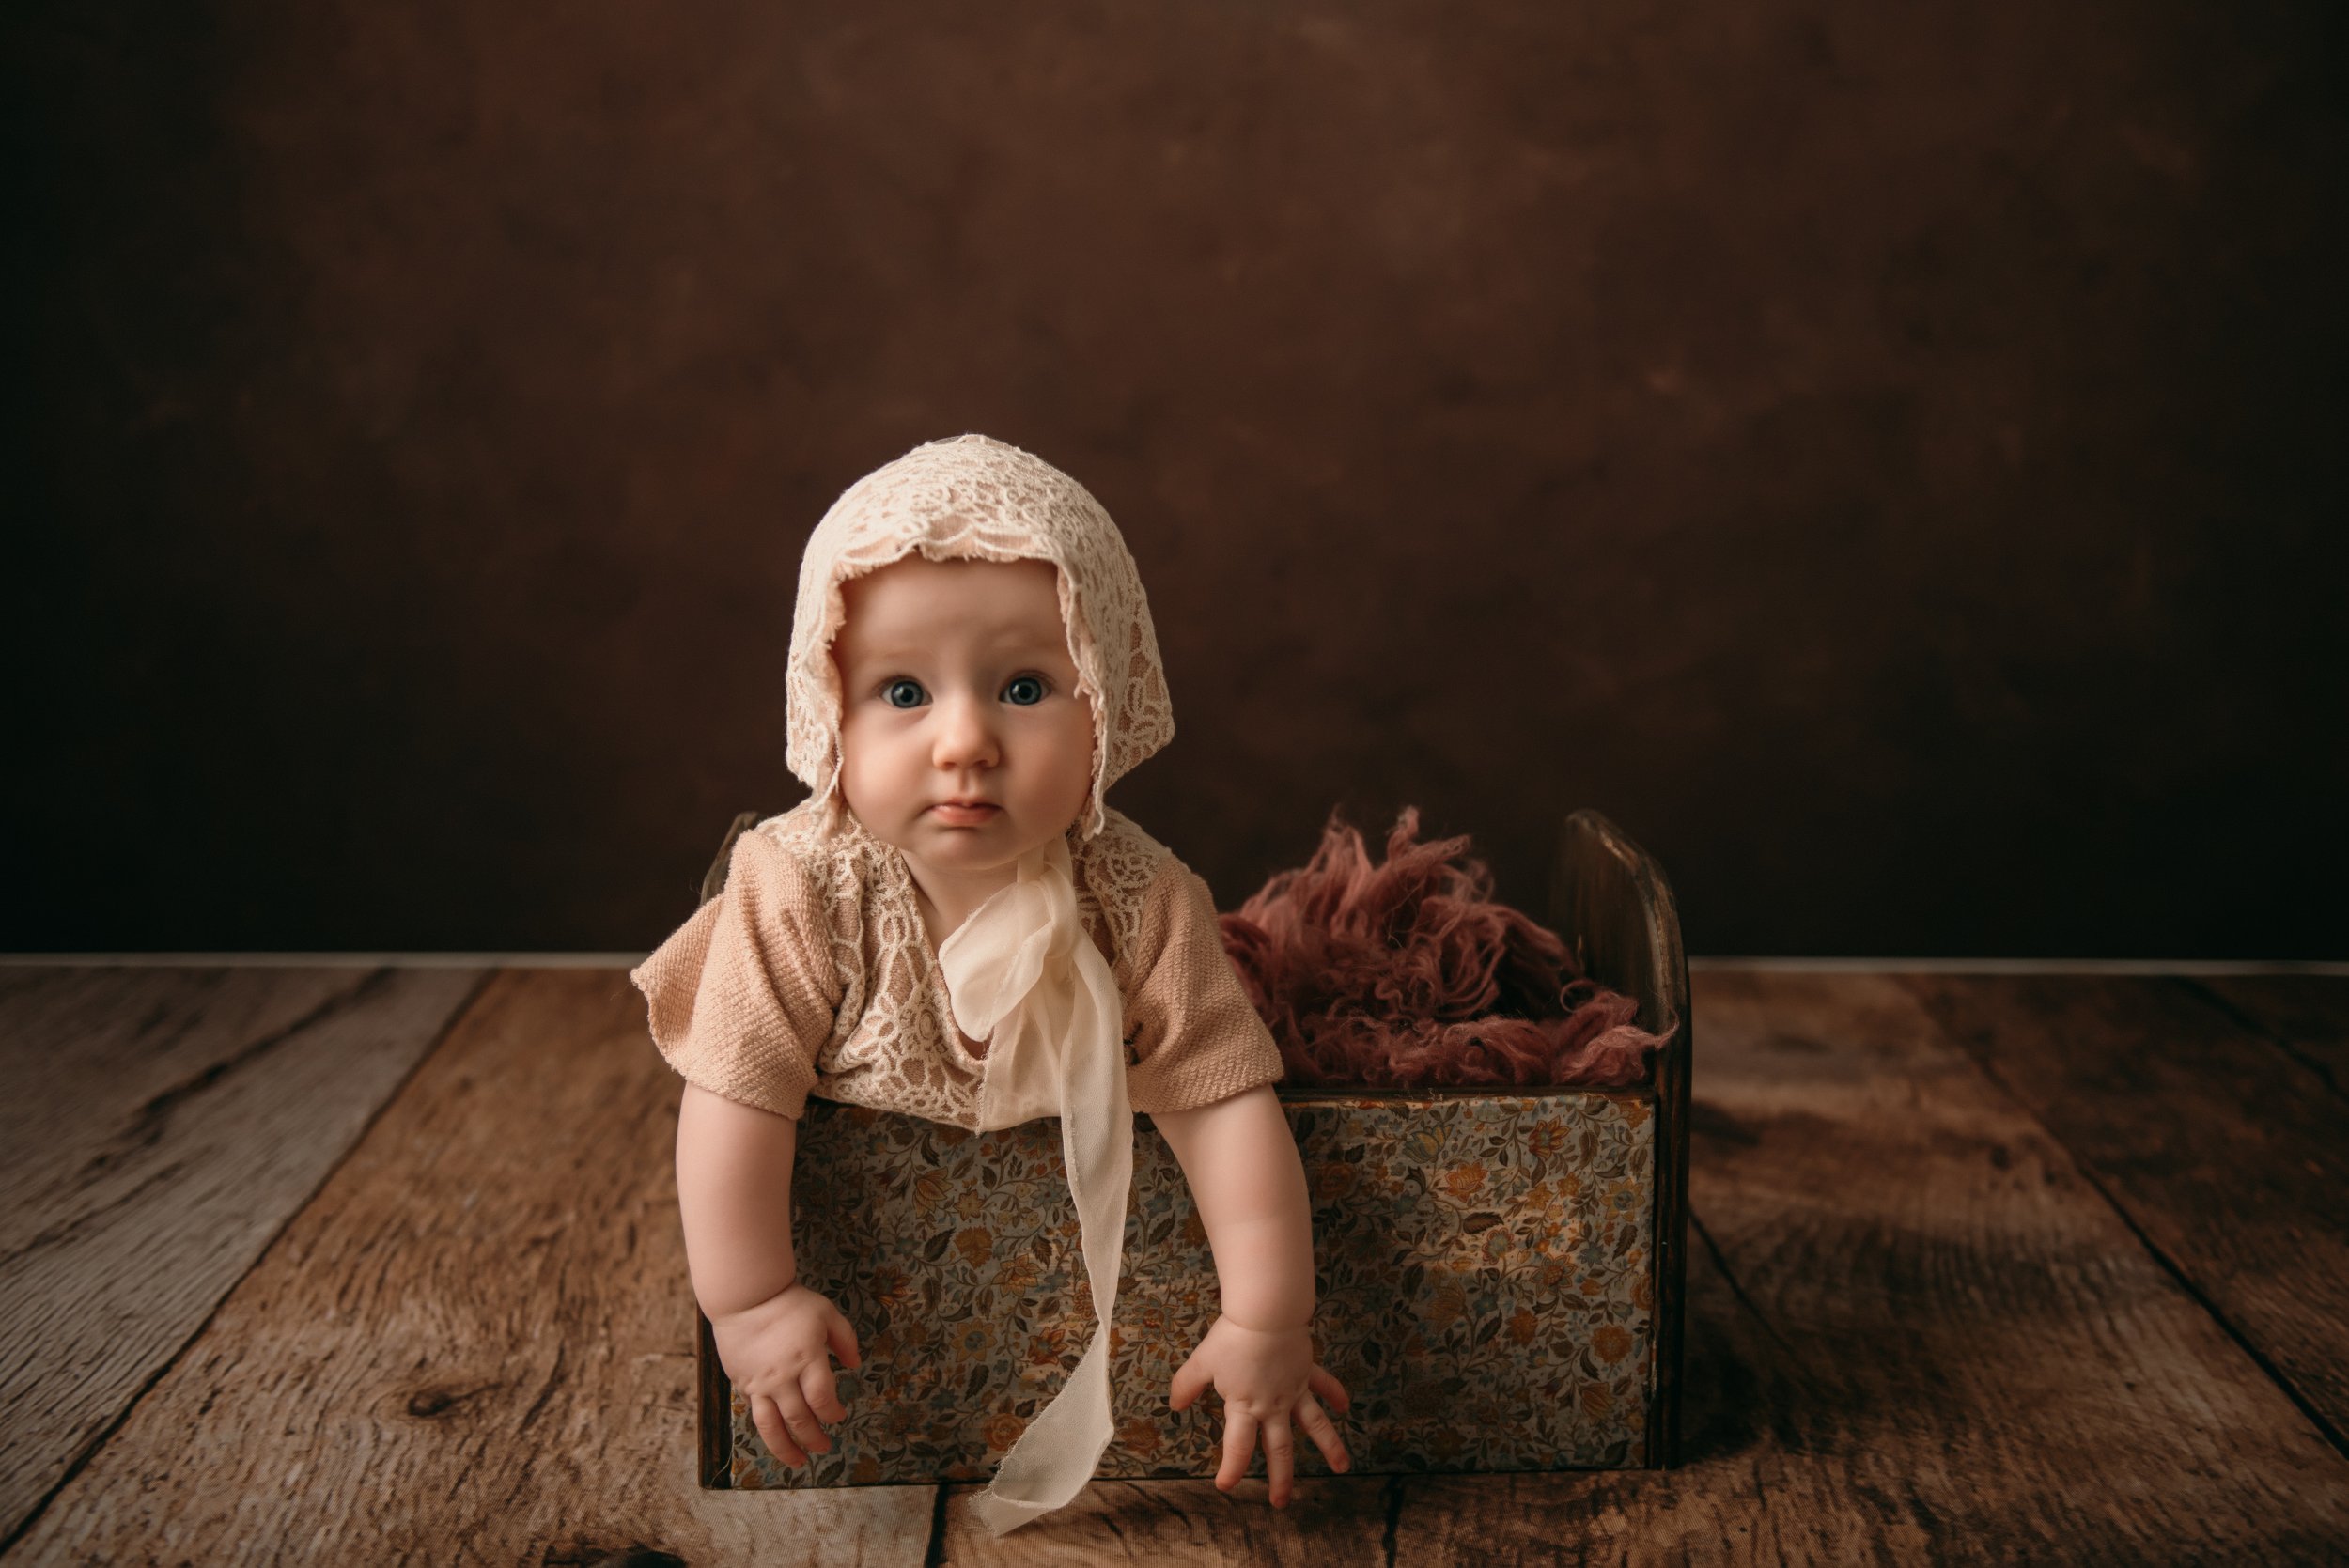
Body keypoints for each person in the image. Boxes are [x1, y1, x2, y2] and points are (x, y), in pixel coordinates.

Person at [630, 434, 1350, 1535]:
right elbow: (737, 1093)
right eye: (903, 691)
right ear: (829, 707)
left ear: (1102, 700)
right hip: (877, 1355)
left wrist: (1267, 1316)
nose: (963, 742)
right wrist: (751, 1296)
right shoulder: (801, 887)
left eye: (1022, 687)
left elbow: (1221, 1103)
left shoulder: (1138, 895)